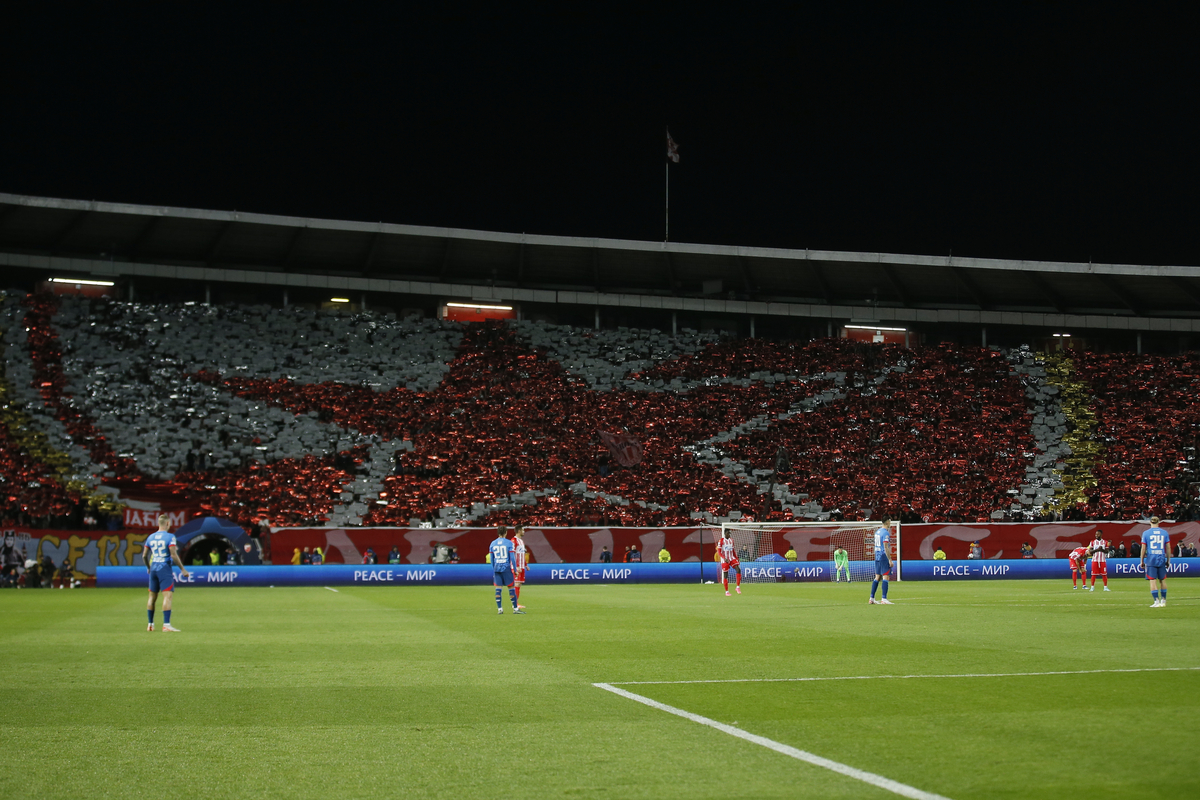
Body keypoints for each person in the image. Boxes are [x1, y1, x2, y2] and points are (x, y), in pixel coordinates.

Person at [143, 514, 189, 632]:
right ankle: (166, 625)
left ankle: (150, 624)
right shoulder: (170, 537)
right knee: (167, 596)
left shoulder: (151, 537)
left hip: (153, 568)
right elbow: (173, 555)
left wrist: (148, 567)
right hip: (164, 568)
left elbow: (144, 555)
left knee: (152, 597)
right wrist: (182, 569)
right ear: (167, 523)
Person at [489, 527, 523, 614]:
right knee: (511, 588)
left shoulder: (493, 543)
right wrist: (515, 570)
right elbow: (512, 557)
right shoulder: (509, 543)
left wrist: (494, 570)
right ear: (506, 532)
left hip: (497, 568)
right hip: (506, 567)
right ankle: (515, 609)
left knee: (498, 589)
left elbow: (492, 559)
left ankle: (500, 609)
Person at [1141, 516, 1171, 607]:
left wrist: (1141, 560)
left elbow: (1143, 548)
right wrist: (1168, 560)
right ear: (1159, 522)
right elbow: (1168, 547)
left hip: (1151, 559)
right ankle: (1163, 601)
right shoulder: (1164, 533)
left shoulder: (1146, 533)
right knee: (1162, 580)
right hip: (1161, 558)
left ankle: (1156, 601)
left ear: (1150, 522)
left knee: (1152, 580)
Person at [868, 518, 894, 605]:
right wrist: (890, 559)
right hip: (883, 556)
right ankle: (884, 599)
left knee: (877, 577)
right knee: (886, 577)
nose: (890, 523)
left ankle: (871, 598)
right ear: (887, 522)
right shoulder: (885, 532)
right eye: (889, 521)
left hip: (877, 556)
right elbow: (886, 547)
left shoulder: (877, 532)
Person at [716, 531, 742, 596]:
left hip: (731, 558)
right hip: (725, 559)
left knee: (738, 570)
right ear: (725, 534)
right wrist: (724, 558)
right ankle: (727, 591)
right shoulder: (721, 541)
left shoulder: (731, 540)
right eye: (728, 533)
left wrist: (736, 558)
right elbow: (719, 551)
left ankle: (737, 587)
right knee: (726, 575)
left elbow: (733, 550)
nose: (729, 535)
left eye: (730, 533)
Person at [512, 527, 527, 609]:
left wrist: (525, 564)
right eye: (523, 530)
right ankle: (515, 603)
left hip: (522, 566)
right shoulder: (514, 541)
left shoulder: (521, 541)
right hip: (517, 567)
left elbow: (522, 553)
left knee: (519, 584)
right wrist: (516, 566)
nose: (524, 532)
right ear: (519, 531)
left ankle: (516, 602)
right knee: (517, 583)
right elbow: (513, 554)